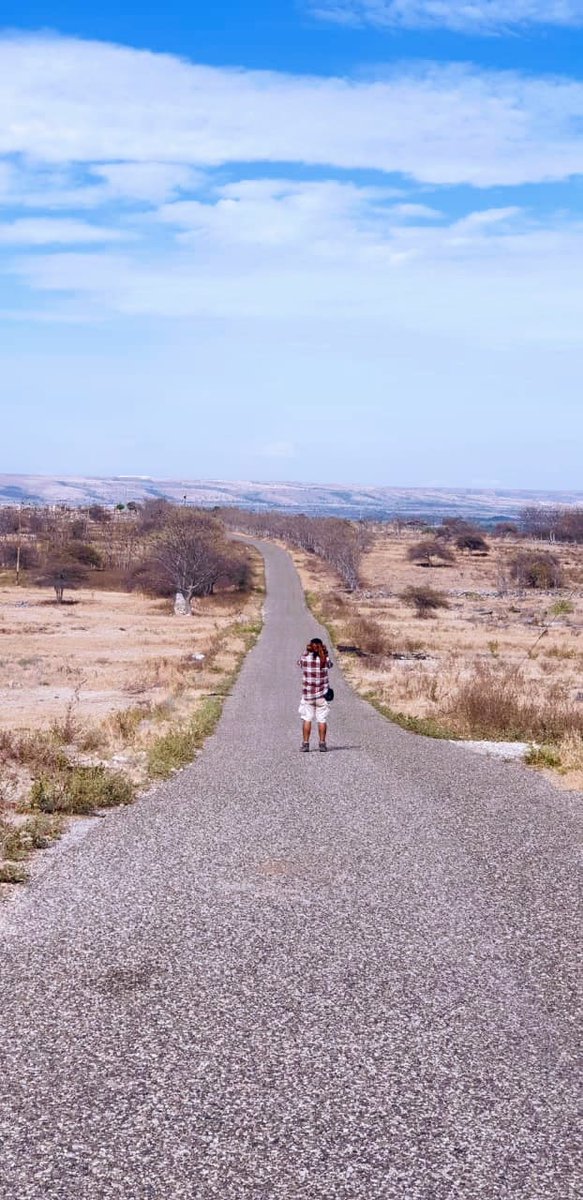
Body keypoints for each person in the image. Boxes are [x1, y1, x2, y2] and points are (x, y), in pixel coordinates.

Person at [297, 637, 333, 752]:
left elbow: (299, 662)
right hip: (321, 696)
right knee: (321, 719)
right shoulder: (324, 660)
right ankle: (322, 743)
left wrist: (307, 651)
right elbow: (330, 664)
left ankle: (306, 744)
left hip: (308, 696)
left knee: (307, 718)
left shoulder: (305, 659)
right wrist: (324, 652)